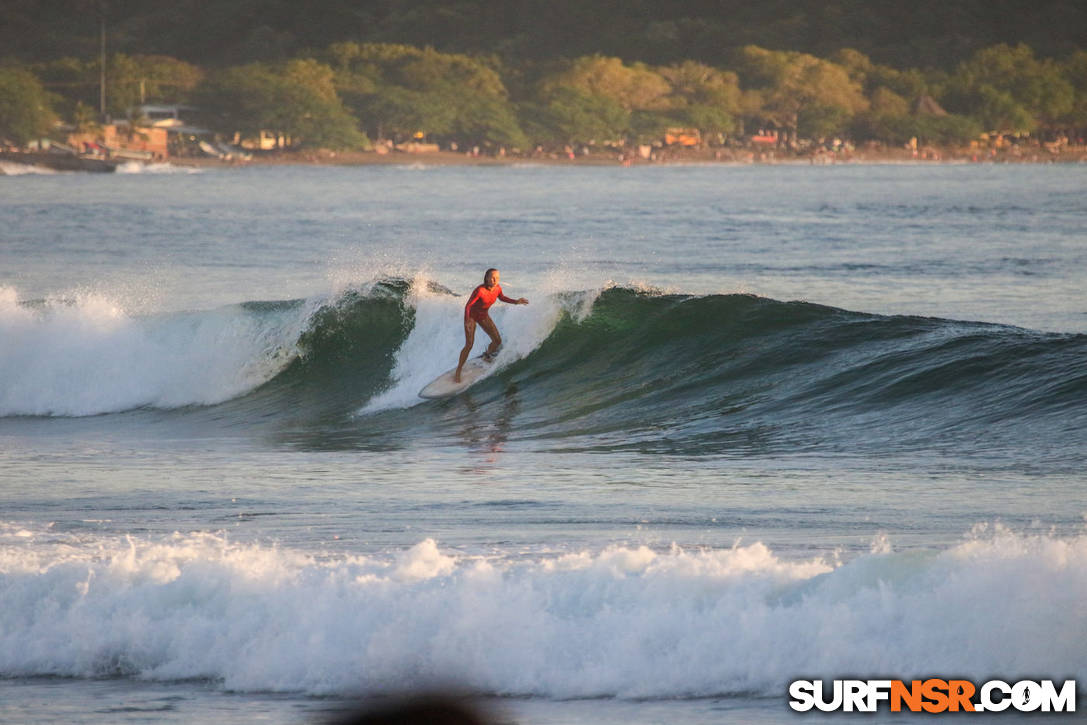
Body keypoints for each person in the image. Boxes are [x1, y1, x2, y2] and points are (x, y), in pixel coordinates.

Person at [455, 268, 527, 383]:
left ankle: (487, 355)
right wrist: (467, 320)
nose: (495, 280)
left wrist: (516, 301)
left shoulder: (497, 288)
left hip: (483, 316)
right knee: (469, 344)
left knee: (497, 341)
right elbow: (468, 306)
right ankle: (458, 371)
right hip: (472, 317)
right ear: (487, 278)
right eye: (493, 277)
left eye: (497, 278)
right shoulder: (479, 291)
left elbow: (502, 297)